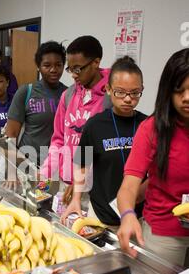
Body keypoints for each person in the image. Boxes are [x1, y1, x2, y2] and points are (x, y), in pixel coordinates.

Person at [117, 48, 189, 266]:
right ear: (168, 91)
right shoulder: (152, 129)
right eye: (179, 90)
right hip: (163, 235)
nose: (187, 98)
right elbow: (129, 187)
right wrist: (128, 214)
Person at [61, 56, 147, 229]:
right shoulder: (95, 125)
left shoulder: (147, 125)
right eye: (120, 92)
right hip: (100, 215)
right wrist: (76, 198)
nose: (128, 99)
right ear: (108, 89)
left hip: (137, 216)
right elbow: (82, 163)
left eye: (135, 92)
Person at [40, 36, 110, 197]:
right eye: (70, 69)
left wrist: (81, 181)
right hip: (67, 182)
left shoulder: (110, 98)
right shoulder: (68, 95)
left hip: (95, 187)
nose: (73, 75)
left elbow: (107, 149)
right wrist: (45, 173)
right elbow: (58, 140)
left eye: (78, 68)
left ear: (95, 62)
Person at [5, 40, 67, 166]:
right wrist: (11, 169)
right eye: (47, 65)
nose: (53, 70)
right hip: (27, 163)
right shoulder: (26, 92)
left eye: (58, 65)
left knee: (48, 186)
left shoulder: (69, 94)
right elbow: (11, 134)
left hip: (55, 166)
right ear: (38, 67)